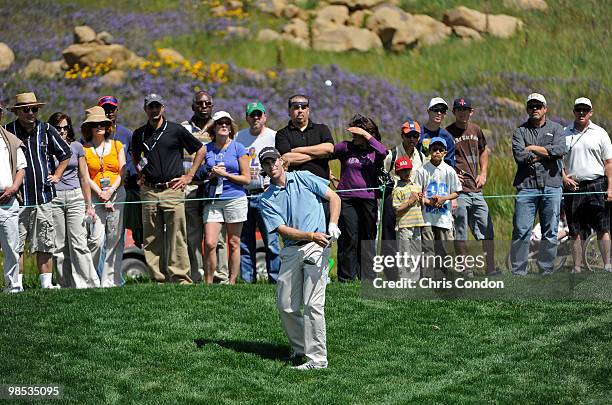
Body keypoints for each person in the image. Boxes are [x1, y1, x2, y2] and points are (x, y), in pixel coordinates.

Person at [259, 147, 341, 370]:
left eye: (274, 160)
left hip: (317, 246)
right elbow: (282, 230)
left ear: (281, 161)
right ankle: (300, 349)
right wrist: (310, 234)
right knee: (286, 305)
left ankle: (317, 359)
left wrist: (332, 224)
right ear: (264, 168)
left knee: (313, 303)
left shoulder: (303, 178)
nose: (272, 165)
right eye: (267, 163)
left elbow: (333, 197)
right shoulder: (265, 199)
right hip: (292, 250)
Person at [132, 93, 205, 284]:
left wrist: (189, 176)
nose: (154, 110)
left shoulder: (176, 130)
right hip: (149, 190)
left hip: (173, 189)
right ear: (145, 109)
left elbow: (200, 149)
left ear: (163, 108)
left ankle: (180, 278)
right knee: (151, 237)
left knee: (177, 236)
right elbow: (135, 156)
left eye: (157, 106)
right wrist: (140, 174)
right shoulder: (139, 133)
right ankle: (158, 279)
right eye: (150, 107)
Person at [6, 92, 72, 289]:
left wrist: (58, 175)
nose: (31, 113)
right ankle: (16, 285)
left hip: (43, 197)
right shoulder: (8, 132)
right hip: (18, 199)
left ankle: (46, 285)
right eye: (26, 109)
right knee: (15, 245)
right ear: (17, 111)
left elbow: (65, 153)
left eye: (34, 109)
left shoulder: (46, 129)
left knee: (44, 242)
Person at [510, 93, 566, 276]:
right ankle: (519, 272)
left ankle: (546, 271)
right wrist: (547, 154)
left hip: (552, 185)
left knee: (550, 231)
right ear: (527, 109)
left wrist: (533, 149)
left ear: (545, 109)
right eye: (531, 106)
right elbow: (520, 156)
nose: (535, 109)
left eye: (538, 106)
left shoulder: (557, 129)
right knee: (521, 230)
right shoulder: (520, 131)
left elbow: (559, 151)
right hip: (526, 186)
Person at [446, 97, 499, 276]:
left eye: (466, 109)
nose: (463, 112)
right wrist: (452, 176)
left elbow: (484, 151)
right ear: (454, 112)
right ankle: (465, 268)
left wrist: (483, 173)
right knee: (460, 230)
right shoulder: (447, 133)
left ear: (471, 112)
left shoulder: (476, 130)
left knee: (487, 228)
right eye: (459, 109)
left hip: (476, 190)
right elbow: (440, 159)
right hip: (458, 191)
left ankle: (490, 267)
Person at [181, 90, 229, 283]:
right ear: (193, 106)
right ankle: (197, 274)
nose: (203, 107)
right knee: (193, 235)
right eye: (200, 104)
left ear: (212, 106)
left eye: (207, 103)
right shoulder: (183, 128)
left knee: (217, 237)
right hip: (191, 187)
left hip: (214, 186)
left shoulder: (219, 127)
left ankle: (220, 275)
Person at [333, 114, 387, 282]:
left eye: (357, 134)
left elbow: (384, 152)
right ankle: (346, 277)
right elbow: (327, 153)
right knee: (349, 236)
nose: (353, 137)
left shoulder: (374, 151)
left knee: (368, 237)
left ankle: (368, 276)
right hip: (347, 199)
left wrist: (366, 135)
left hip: (368, 199)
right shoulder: (345, 147)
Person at [562, 97, 612, 273]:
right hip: (573, 187)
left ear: (591, 112)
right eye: (578, 109)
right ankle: (576, 266)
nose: (581, 112)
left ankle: (607, 265)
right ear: (574, 111)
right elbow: (557, 161)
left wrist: (610, 187)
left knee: (602, 227)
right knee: (574, 229)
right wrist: (563, 178)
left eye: (585, 109)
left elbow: (608, 163)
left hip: (597, 184)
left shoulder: (600, 133)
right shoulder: (564, 133)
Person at [49, 112, 99, 288]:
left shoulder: (77, 147)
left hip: (75, 196)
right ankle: (66, 285)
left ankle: (88, 284)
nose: (62, 131)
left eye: (65, 127)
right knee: (59, 245)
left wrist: (89, 205)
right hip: (54, 198)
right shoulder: (46, 147)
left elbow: (84, 177)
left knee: (79, 243)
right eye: (58, 128)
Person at [202, 111, 250, 285]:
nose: (224, 125)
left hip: (235, 198)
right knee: (210, 242)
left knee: (234, 242)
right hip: (213, 199)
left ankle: (232, 282)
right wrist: (210, 174)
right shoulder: (206, 148)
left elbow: (246, 179)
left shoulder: (238, 148)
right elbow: (199, 173)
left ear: (231, 127)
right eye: (220, 123)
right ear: (213, 127)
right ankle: (208, 283)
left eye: (227, 123)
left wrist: (225, 174)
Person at [235, 101, 280, 283]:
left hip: (266, 193)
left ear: (264, 117)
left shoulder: (274, 136)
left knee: (271, 241)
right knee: (245, 242)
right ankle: (247, 280)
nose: (255, 118)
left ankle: (275, 279)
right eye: (252, 115)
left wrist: (274, 183)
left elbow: (282, 163)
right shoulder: (239, 136)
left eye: (258, 114)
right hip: (244, 193)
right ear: (246, 117)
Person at [82, 106, 126, 287]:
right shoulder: (84, 149)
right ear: (89, 128)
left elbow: (123, 172)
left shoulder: (117, 145)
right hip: (95, 196)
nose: (99, 126)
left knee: (115, 238)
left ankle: (110, 281)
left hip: (116, 194)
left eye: (102, 123)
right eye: (95, 124)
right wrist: (100, 193)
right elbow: (85, 176)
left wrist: (110, 192)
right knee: (96, 240)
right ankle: (92, 279)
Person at [275, 94, 335, 221]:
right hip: (297, 191)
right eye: (296, 107)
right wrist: (317, 154)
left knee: (324, 233)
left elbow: (329, 148)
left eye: (304, 106)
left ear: (308, 110)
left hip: (322, 188)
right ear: (289, 111)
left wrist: (298, 150)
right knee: (303, 232)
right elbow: (287, 158)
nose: (300, 110)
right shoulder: (282, 134)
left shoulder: (322, 129)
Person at [97, 96, 142, 248]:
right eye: (105, 109)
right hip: (100, 190)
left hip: (124, 187)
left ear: (117, 110)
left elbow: (133, 159)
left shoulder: (126, 134)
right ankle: (100, 271)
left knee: (119, 231)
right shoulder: (94, 133)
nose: (109, 112)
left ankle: (118, 269)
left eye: (112, 109)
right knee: (99, 235)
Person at [415, 137, 461, 279]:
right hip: (427, 217)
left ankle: (443, 276)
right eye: (434, 149)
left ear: (445, 153)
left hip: (443, 217)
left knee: (444, 248)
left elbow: (457, 191)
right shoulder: (422, 170)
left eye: (440, 150)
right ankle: (427, 278)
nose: (437, 152)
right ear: (429, 151)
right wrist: (427, 201)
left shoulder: (449, 170)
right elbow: (417, 192)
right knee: (428, 248)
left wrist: (444, 199)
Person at [381, 119, 427, 243]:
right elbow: (382, 175)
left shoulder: (422, 157)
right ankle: (389, 262)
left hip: (415, 203)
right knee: (389, 237)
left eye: (415, 136)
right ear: (402, 136)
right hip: (394, 199)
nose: (412, 139)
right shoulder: (392, 155)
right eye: (408, 136)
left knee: (413, 239)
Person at [0, 104, 27, 293]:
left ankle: (13, 286)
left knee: (11, 246)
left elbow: (21, 168)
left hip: (8, 201)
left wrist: (14, 188)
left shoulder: (10, 140)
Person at [392, 156, 425, 281]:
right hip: (404, 225)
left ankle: (415, 278)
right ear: (398, 172)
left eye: (408, 170)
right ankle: (404, 278)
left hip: (417, 223)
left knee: (416, 252)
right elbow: (396, 210)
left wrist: (421, 200)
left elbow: (420, 206)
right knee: (404, 253)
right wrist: (410, 201)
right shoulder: (397, 190)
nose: (406, 173)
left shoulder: (416, 186)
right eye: (403, 170)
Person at [417, 97, 455, 167]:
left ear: (445, 114)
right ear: (428, 111)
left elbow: (450, 163)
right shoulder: (418, 134)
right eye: (435, 110)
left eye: (442, 110)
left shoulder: (447, 137)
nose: (439, 113)